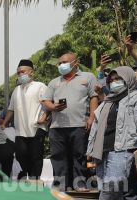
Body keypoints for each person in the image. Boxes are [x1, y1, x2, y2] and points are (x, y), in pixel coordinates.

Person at [87, 66, 137, 200]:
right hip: (102, 150)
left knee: (112, 184)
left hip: (122, 148)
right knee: (105, 186)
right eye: (112, 80)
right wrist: (90, 150)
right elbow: (96, 127)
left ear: (128, 79)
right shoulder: (108, 101)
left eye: (118, 79)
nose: (114, 82)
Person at [41, 52, 99, 191]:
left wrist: (92, 118)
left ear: (75, 63)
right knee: (58, 157)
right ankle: (60, 185)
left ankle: (79, 184)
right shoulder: (54, 82)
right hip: (57, 126)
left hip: (79, 124)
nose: (61, 65)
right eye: (60, 63)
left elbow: (94, 97)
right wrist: (53, 106)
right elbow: (45, 101)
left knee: (79, 156)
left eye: (64, 62)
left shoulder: (87, 77)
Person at [3, 59, 48, 180]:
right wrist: (4, 123)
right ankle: (27, 174)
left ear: (31, 72)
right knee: (20, 155)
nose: (20, 75)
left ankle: (35, 179)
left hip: (37, 128)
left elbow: (48, 104)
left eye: (22, 72)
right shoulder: (16, 90)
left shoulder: (40, 86)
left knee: (36, 156)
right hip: (20, 130)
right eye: (18, 73)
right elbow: (11, 109)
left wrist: (44, 117)